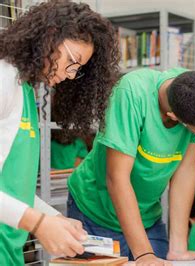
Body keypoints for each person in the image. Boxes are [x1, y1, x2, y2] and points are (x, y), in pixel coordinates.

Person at [67, 67, 195, 264]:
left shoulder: (194, 92)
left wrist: (177, 247)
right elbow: (117, 178)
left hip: (147, 217)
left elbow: (185, 172)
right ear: (174, 117)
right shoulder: (131, 92)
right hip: (96, 212)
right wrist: (144, 254)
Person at [0, 0, 120, 264]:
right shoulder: (4, 78)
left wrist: (54, 220)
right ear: (49, 37)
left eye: (77, 70)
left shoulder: (26, 92)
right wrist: (39, 223)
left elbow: (11, 188)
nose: (69, 75)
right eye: (72, 61)